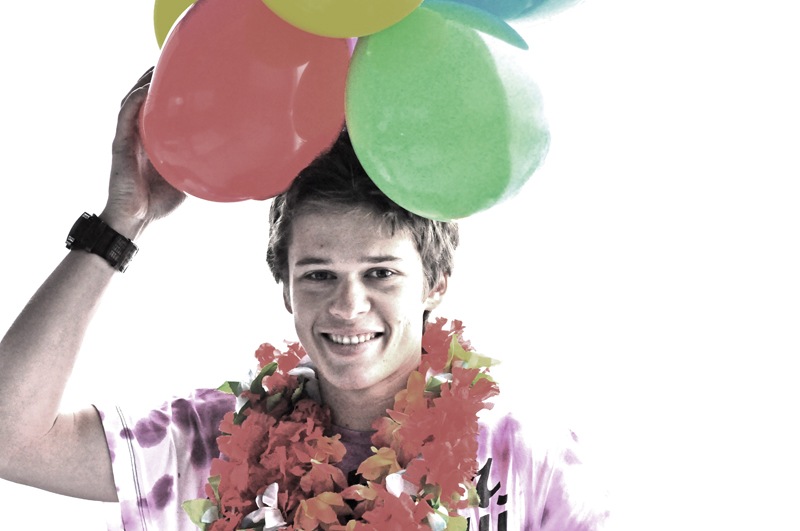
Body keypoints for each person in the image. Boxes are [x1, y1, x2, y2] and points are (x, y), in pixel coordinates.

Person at [0, 70, 608, 530]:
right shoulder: (216, 441)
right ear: (285, 286)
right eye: (318, 275)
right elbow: (11, 439)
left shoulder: (527, 458)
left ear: (436, 283)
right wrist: (121, 223)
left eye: (380, 273)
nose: (347, 305)